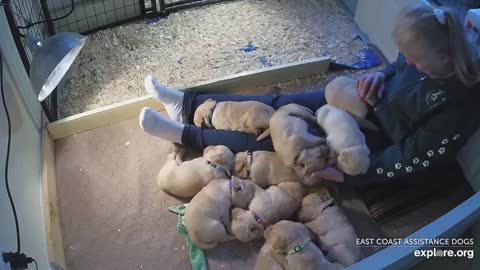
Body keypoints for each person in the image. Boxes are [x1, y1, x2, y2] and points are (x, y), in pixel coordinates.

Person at [139, 3, 480, 185]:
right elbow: (399, 68)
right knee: (277, 106)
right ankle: (185, 104)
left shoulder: (460, 104)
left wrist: (348, 173)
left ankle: (186, 133)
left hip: (377, 141)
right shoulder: (432, 48)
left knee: (277, 139)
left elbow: (412, 157)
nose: (412, 63)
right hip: (359, 101)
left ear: (447, 58)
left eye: (419, 62)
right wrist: (379, 75)